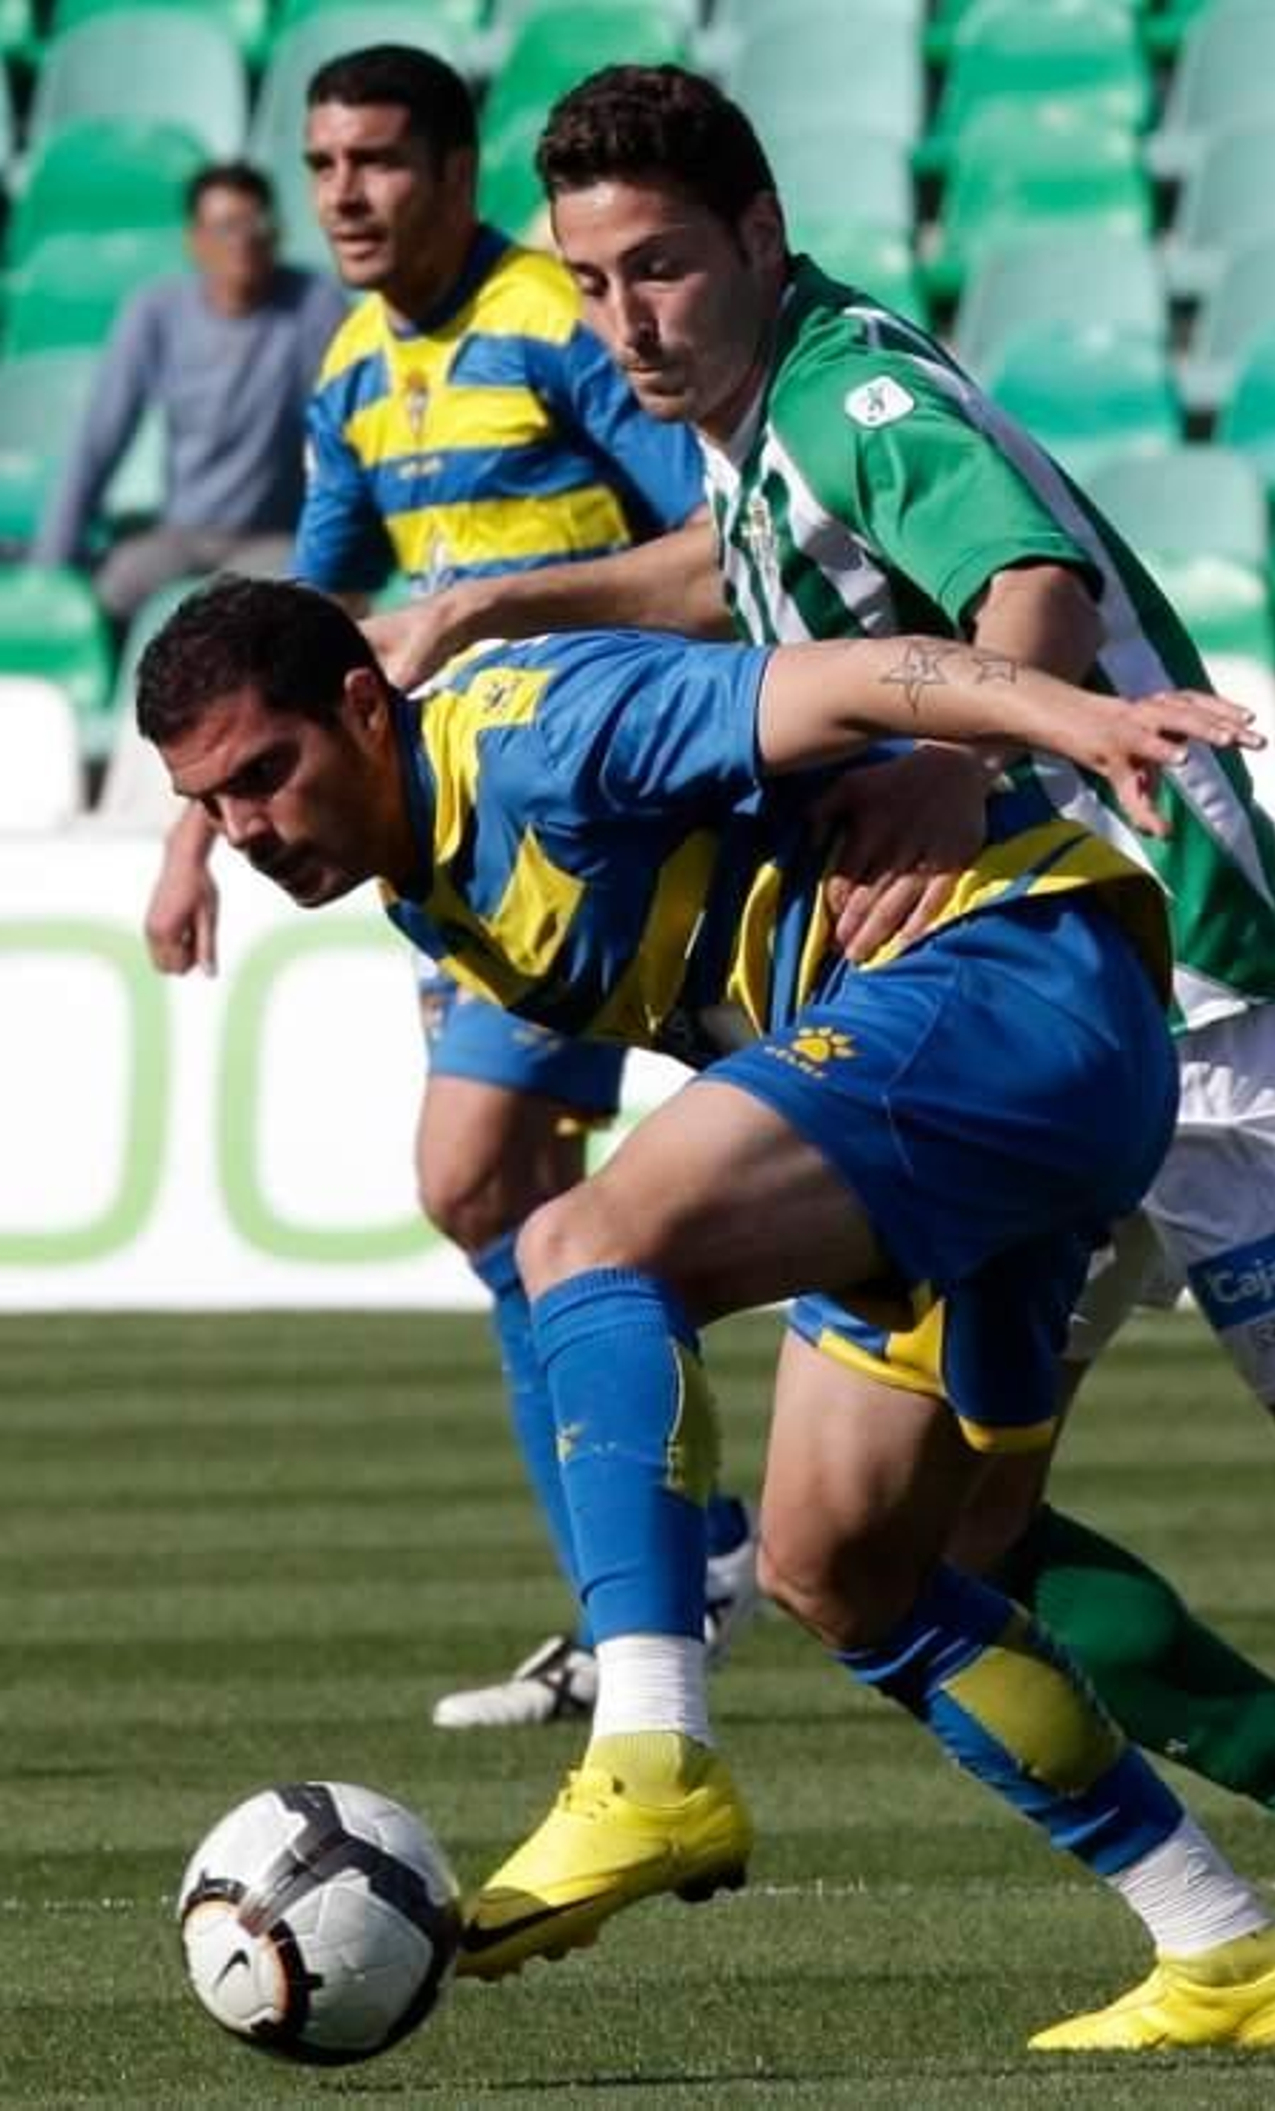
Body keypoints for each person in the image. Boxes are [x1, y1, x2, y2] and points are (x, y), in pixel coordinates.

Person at [373, 64, 1275, 2037]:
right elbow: (721, 582)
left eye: (660, 264)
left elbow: (1031, 588)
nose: (625, 318)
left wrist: (948, 744)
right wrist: (502, 589)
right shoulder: (747, 428)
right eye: (588, 284)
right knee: (903, 1533)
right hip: (1014, 1014)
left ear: (759, 237)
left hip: (1204, 1004)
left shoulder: (850, 392)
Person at [137, 570, 1275, 2053]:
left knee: (584, 1242)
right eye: (215, 802)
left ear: (359, 706)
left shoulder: (534, 726)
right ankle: (1227, 1943)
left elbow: (845, 677)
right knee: (847, 1568)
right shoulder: (428, 893)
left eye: (267, 774)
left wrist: (1068, 717)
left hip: (1014, 982)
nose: (250, 826)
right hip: (937, 1076)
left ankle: (648, 1745)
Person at [139, 45, 758, 1736]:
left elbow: (712, 537)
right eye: (325, 161)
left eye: (385, 161)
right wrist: (198, 828)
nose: (345, 194)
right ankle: (667, 1561)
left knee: (489, 1182)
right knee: (497, 1196)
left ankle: (688, 1556)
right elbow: (298, 609)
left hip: (604, 790)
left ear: (463, 168)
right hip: (472, 827)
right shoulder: (350, 364)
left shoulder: (561, 322)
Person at [32, 163, 347, 625]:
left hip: (271, 540)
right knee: (100, 599)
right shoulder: (155, 312)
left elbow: (349, 427)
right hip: (179, 535)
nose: (242, 240)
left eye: (254, 224)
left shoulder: (313, 303)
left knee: (303, 605)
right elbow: (99, 440)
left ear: (276, 233)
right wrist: (51, 567)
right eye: (224, 227)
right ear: (194, 240)